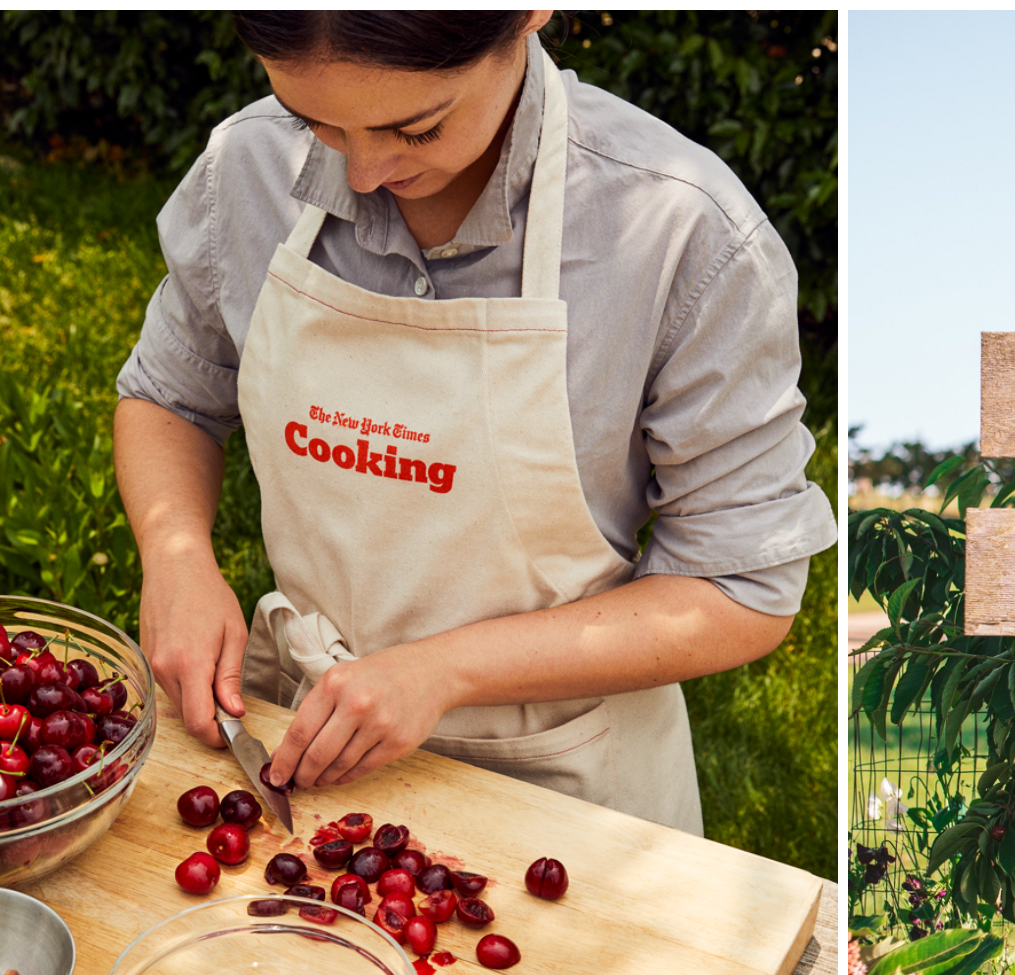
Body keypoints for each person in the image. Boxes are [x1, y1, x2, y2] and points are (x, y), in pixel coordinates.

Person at [112, 11, 835, 835]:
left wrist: (443, 671)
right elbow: (170, 397)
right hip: (307, 756)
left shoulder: (680, 234)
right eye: (319, 125)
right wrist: (175, 557)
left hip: (567, 793)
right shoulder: (248, 166)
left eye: (414, 129)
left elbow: (740, 588)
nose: (363, 173)